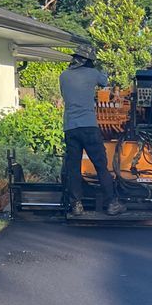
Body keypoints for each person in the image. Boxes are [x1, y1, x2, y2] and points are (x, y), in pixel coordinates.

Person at [59, 51, 126, 216]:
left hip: (70, 127)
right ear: (88, 61)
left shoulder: (64, 76)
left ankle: (76, 205)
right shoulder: (92, 73)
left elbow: (64, 95)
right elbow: (105, 81)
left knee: (73, 168)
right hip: (89, 126)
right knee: (100, 165)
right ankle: (111, 203)